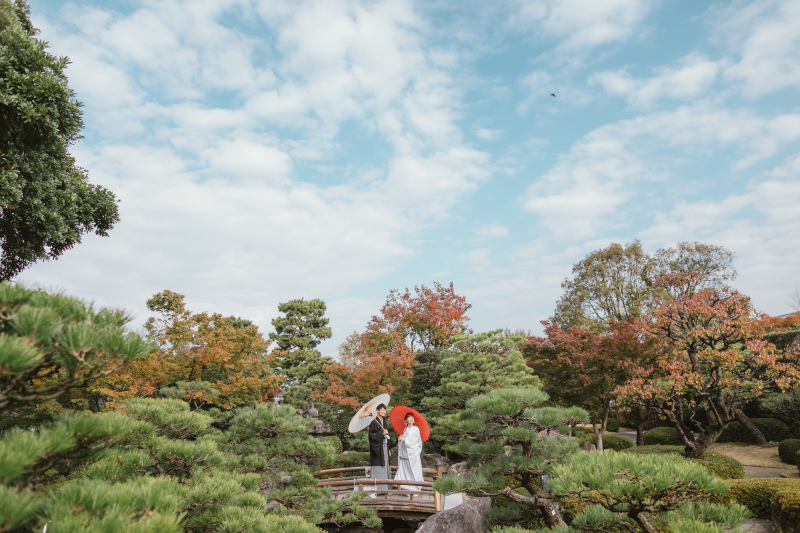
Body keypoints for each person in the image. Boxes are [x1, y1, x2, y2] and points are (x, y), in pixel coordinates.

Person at [367, 404, 392, 496]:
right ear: (377, 411)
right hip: (377, 449)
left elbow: (387, 437)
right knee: (378, 468)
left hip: (385, 448)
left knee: (385, 467)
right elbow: (371, 437)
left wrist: (388, 448)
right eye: (382, 409)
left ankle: (385, 489)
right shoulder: (373, 422)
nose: (384, 411)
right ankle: (374, 491)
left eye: (384, 410)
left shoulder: (384, 422)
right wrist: (382, 433)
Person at [395, 412, 423, 492]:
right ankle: (406, 488)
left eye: (412, 417)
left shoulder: (416, 429)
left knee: (412, 472)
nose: (411, 419)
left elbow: (415, 441)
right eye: (409, 417)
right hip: (405, 455)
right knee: (405, 472)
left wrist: (405, 440)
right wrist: (400, 440)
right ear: (406, 420)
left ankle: (415, 488)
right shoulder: (405, 430)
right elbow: (403, 442)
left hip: (412, 455)